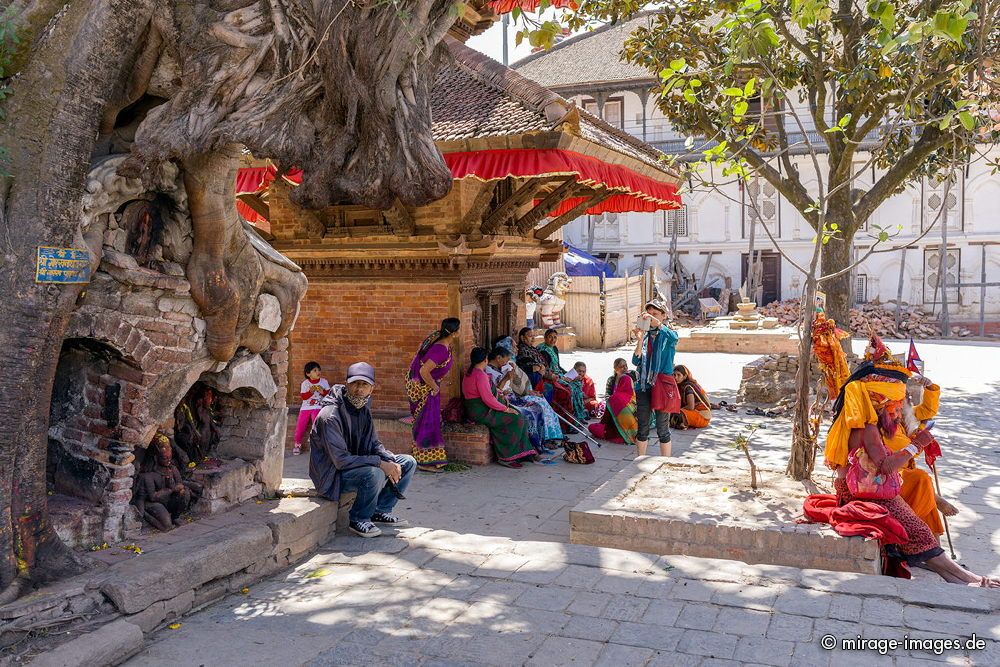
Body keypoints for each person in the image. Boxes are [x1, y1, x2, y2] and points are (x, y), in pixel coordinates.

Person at [823, 336, 998, 587]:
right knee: (917, 530)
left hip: (867, 490)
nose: (896, 408)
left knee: (919, 516)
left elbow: (921, 416)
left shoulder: (859, 422)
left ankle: (955, 573)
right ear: (879, 401)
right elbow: (885, 466)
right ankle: (965, 577)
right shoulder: (868, 428)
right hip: (867, 495)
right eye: (892, 404)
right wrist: (917, 444)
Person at [310, 362, 416, 538]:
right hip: (332, 476)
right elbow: (341, 460)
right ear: (346, 384)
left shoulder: (363, 408)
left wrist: (389, 460)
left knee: (407, 462)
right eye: (355, 383)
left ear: (371, 389)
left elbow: (374, 444)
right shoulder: (330, 415)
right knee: (375, 472)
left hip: (356, 466)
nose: (359, 389)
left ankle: (380, 510)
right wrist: (380, 463)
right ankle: (359, 519)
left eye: (364, 384)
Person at [462, 347, 538, 468]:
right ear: (485, 360)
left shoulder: (471, 373)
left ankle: (524, 452)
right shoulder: (480, 375)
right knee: (517, 419)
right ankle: (507, 456)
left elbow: (487, 392)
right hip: (481, 411)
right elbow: (488, 399)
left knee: (519, 414)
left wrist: (499, 393)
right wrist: (505, 409)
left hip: (478, 408)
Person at [406, 318, 461, 472]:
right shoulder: (440, 349)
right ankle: (425, 461)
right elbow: (424, 371)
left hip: (429, 387)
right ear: (455, 333)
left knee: (431, 420)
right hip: (425, 390)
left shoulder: (439, 340)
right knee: (427, 422)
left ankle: (425, 458)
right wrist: (434, 387)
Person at [486, 346, 563, 454]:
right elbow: (493, 393)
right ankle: (531, 446)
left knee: (537, 407)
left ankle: (542, 442)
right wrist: (506, 380)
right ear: (498, 358)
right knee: (529, 414)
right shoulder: (488, 372)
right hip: (503, 401)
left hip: (513, 397)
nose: (507, 362)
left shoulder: (502, 368)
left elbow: (513, 386)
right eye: (506, 359)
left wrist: (524, 390)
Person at [632, 299, 680, 457]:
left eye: (655, 314)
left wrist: (659, 324)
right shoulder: (645, 337)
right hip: (644, 385)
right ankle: (639, 460)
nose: (651, 317)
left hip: (662, 386)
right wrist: (639, 339)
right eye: (649, 314)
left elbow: (674, 338)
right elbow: (635, 361)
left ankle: (666, 463)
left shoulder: (667, 335)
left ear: (664, 315)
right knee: (643, 427)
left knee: (662, 428)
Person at [589, 358, 638, 445]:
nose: (625, 368)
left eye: (626, 365)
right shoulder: (611, 380)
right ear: (615, 368)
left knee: (592, 427)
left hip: (615, 411)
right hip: (633, 428)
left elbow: (605, 420)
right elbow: (607, 395)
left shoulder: (631, 375)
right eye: (621, 366)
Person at [294, 361, 330, 455]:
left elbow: (329, 395)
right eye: (315, 370)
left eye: (319, 370)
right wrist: (310, 391)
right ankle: (297, 444)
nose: (318, 372)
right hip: (305, 407)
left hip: (318, 406)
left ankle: (315, 444)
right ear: (308, 373)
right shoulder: (305, 383)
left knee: (316, 422)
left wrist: (322, 392)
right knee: (300, 426)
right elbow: (304, 397)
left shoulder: (324, 382)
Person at [671, 365, 712, 430]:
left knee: (676, 414)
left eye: (679, 375)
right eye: (674, 375)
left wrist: (677, 410)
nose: (676, 377)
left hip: (702, 416)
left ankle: (682, 423)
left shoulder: (688, 387)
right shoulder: (680, 386)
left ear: (684, 377)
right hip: (695, 413)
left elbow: (691, 407)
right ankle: (681, 423)